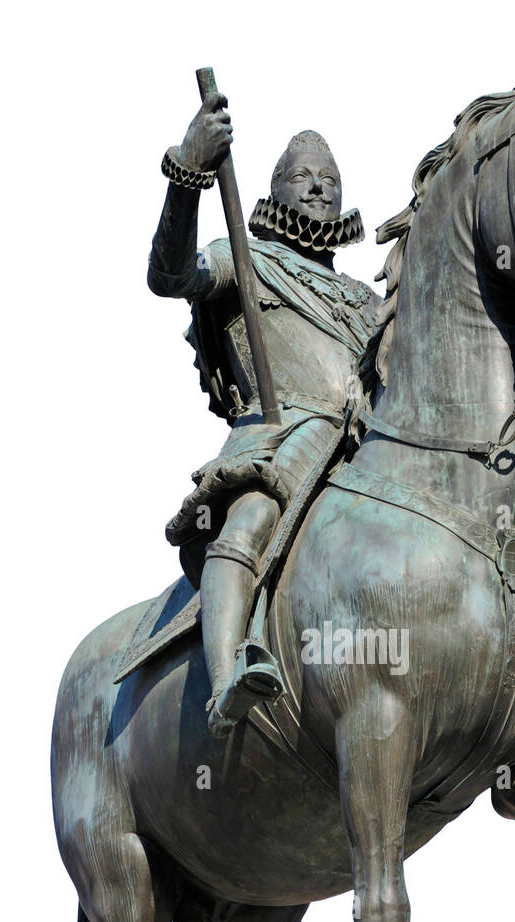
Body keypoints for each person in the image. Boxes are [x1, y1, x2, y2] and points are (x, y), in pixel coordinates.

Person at [148, 92, 378, 735]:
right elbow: (169, 275)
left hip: (363, 455)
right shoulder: (246, 261)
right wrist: (188, 175)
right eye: (304, 177)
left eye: (330, 181)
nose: (319, 189)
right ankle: (226, 683)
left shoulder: (364, 301)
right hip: (279, 442)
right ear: (277, 187)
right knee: (249, 520)